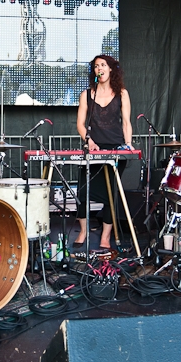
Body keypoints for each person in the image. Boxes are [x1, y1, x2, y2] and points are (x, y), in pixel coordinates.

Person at [72, 54, 133, 258]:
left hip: (114, 148)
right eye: (96, 66)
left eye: (103, 65)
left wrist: (128, 145)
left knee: (111, 194)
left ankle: (106, 236)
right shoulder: (86, 94)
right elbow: (80, 124)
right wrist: (88, 140)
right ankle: (83, 231)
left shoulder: (122, 93)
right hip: (92, 149)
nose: (99, 68)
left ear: (111, 69)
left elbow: (126, 122)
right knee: (83, 191)